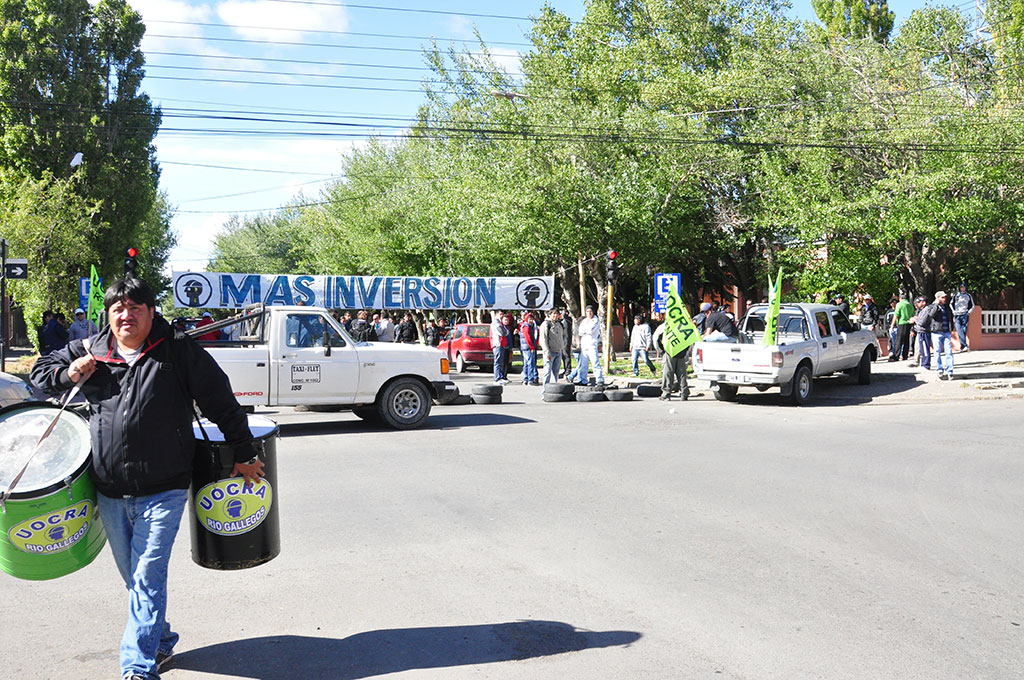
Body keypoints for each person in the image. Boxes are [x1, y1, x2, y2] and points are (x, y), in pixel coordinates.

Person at [30, 278, 262, 680]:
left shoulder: (176, 350)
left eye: (136, 307)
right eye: (118, 308)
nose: (126, 315)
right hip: (109, 490)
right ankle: (161, 639)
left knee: (146, 577)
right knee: (135, 579)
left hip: (165, 488)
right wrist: (70, 372)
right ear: (108, 314)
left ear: (151, 312)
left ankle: (137, 667)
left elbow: (221, 401)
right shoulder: (93, 351)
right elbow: (38, 374)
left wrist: (244, 453)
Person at [920, 290, 957, 380]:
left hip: (946, 332)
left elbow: (950, 317)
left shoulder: (947, 307)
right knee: (937, 351)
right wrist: (936, 305)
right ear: (938, 298)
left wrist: (951, 327)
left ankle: (950, 371)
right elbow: (931, 315)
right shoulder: (932, 306)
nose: (944, 299)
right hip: (936, 332)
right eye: (942, 297)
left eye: (945, 297)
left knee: (949, 352)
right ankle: (939, 369)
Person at [652, 321, 688, 401]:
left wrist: (661, 351)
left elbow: (656, 339)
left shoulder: (664, 326)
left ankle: (666, 394)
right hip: (681, 353)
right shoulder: (683, 325)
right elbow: (688, 339)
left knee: (668, 373)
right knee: (682, 374)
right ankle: (684, 393)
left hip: (669, 352)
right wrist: (685, 351)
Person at [575, 305, 603, 385]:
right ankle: (583, 380)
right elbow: (580, 331)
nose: (589, 313)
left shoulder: (596, 320)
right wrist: (585, 331)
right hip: (584, 345)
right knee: (583, 364)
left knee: (595, 363)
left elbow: (591, 330)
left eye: (590, 311)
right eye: (587, 311)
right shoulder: (584, 321)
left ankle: (599, 379)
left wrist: (585, 331)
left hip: (592, 344)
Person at [539, 309, 566, 385]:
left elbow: (563, 336)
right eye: (553, 314)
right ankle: (545, 392)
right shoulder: (546, 324)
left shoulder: (559, 324)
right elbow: (543, 339)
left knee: (555, 372)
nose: (555, 315)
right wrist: (547, 352)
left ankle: (554, 391)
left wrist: (562, 347)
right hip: (550, 352)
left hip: (558, 351)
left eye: (556, 314)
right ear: (549, 315)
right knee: (547, 372)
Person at [910, 296, 932, 371]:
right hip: (919, 331)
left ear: (924, 302)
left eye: (918, 302)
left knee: (925, 349)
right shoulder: (920, 310)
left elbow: (922, 322)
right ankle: (920, 362)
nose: (917, 304)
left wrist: (914, 320)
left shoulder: (926, 310)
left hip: (924, 331)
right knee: (919, 348)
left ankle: (926, 365)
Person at [889, 293, 914, 361]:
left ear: (900, 298)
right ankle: (905, 355)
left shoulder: (899, 304)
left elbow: (896, 315)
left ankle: (897, 355)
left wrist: (892, 325)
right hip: (909, 323)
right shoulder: (910, 305)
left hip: (901, 323)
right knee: (906, 340)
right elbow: (913, 315)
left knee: (899, 340)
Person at [951, 283, 975, 352]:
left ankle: (963, 346)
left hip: (965, 314)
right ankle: (965, 345)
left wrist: (968, 313)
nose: (962, 288)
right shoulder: (956, 295)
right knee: (959, 330)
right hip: (957, 315)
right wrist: (954, 312)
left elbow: (972, 305)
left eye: (964, 287)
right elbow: (951, 304)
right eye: (961, 287)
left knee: (964, 331)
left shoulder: (968, 296)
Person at [518, 312, 540, 385]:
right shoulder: (526, 326)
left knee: (527, 363)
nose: (531, 320)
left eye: (532, 319)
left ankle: (526, 379)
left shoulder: (529, 326)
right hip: (527, 347)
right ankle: (529, 379)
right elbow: (528, 338)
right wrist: (532, 346)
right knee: (530, 363)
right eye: (529, 319)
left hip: (526, 347)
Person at [490, 311, 510, 384]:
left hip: (501, 344)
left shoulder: (499, 322)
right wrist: (506, 331)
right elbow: (503, 333)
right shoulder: (496, 323)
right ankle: (496, 379)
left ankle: (499, 377)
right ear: (496, 314)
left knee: (500, 362)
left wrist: (506, 331)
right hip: (497, 344)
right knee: (497, 362)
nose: (502, 316)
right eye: (500, 314)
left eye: (502, 314)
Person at [558, 309, 573, 377]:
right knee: (563, 356)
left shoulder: (567, 320)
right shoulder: (562, 321)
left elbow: (566, 332)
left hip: (566, 340)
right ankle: (566, 369)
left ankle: (568, 370)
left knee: (566, 355)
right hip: (562, 340)